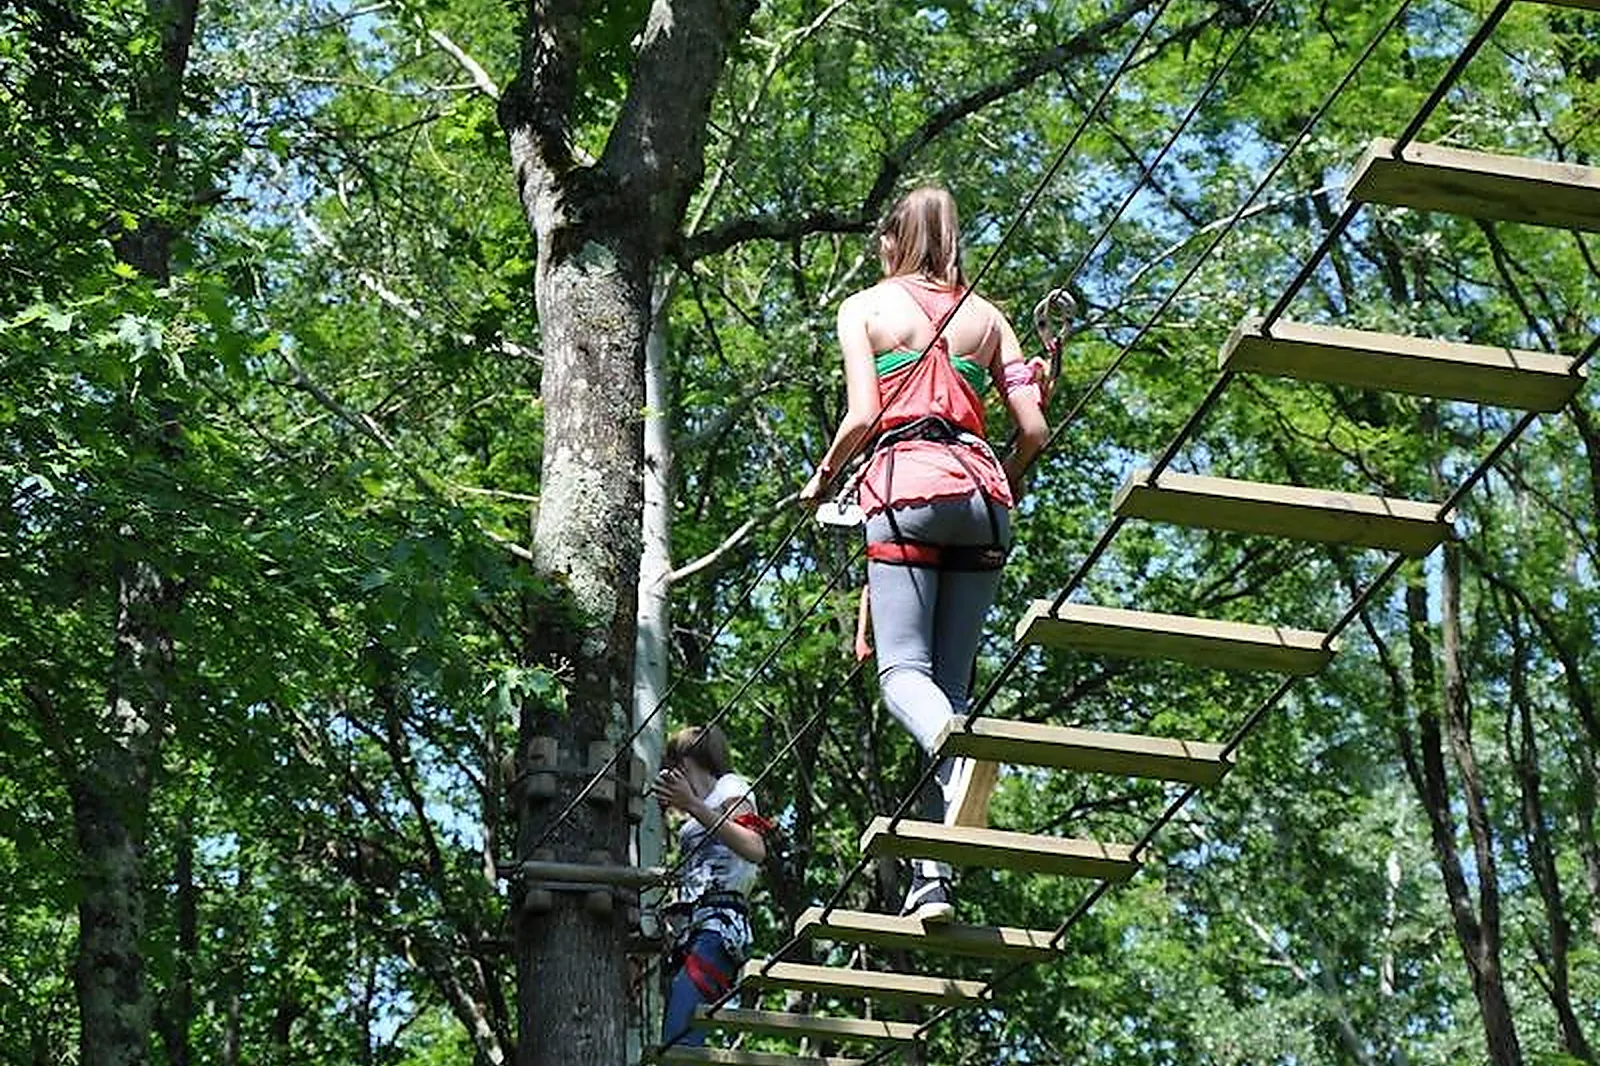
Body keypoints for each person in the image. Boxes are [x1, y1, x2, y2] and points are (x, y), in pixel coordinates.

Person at [799, 186, 1051, 923]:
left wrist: (819, 483)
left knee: (903, 679)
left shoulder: (865, 308)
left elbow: (863, 415)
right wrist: (1002, 475)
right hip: (985, 497)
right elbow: (1031, 430)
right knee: (950, 698)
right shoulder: (989, 316)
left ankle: (963, 762)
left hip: (905, 490)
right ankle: (934, 880)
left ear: (890, 243)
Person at [651, 724, 770, 1049]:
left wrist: (693, 805)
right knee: (675, 1031)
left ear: (684, 764)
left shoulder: (730, 787)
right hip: (692, 929)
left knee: (680, 1035)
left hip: (719, 926)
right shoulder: (694, 815)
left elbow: (754, 847)